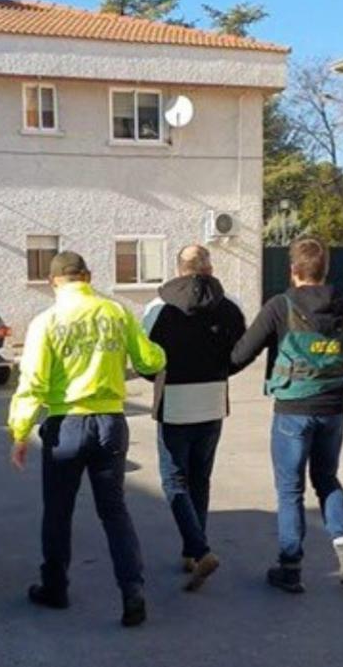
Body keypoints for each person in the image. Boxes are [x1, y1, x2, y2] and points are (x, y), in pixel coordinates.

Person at [231, 236, 343, 594]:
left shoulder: (281, 306)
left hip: (293, 408)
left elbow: (239, 355)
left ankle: (290, 568)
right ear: (325, 271)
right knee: (326, 478)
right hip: (335, 406)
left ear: (293, 271)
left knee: (290, 489)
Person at [8, 252, 166, 628]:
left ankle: (55, 587)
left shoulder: (45, 322)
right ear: (88, 276)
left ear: (53, 282)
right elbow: (149, 361)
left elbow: (33, 383)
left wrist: (19, 432)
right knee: (114, 511)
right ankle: (133, 592)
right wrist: (162, 351)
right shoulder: (115, 312)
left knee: (58, 512)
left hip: (65, 426)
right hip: (110, 422)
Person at [141, 245, 246, 591]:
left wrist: (161, 377)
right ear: (209, 268)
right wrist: (220, 372)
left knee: (174, 481)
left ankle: (198, 550)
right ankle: (192, 550)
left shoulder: (159, 308)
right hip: (213, 402)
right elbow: (240, 352)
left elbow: (146, 358)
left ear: (179, 269)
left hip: (175, 404)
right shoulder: (229, 306)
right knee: (200, 479)